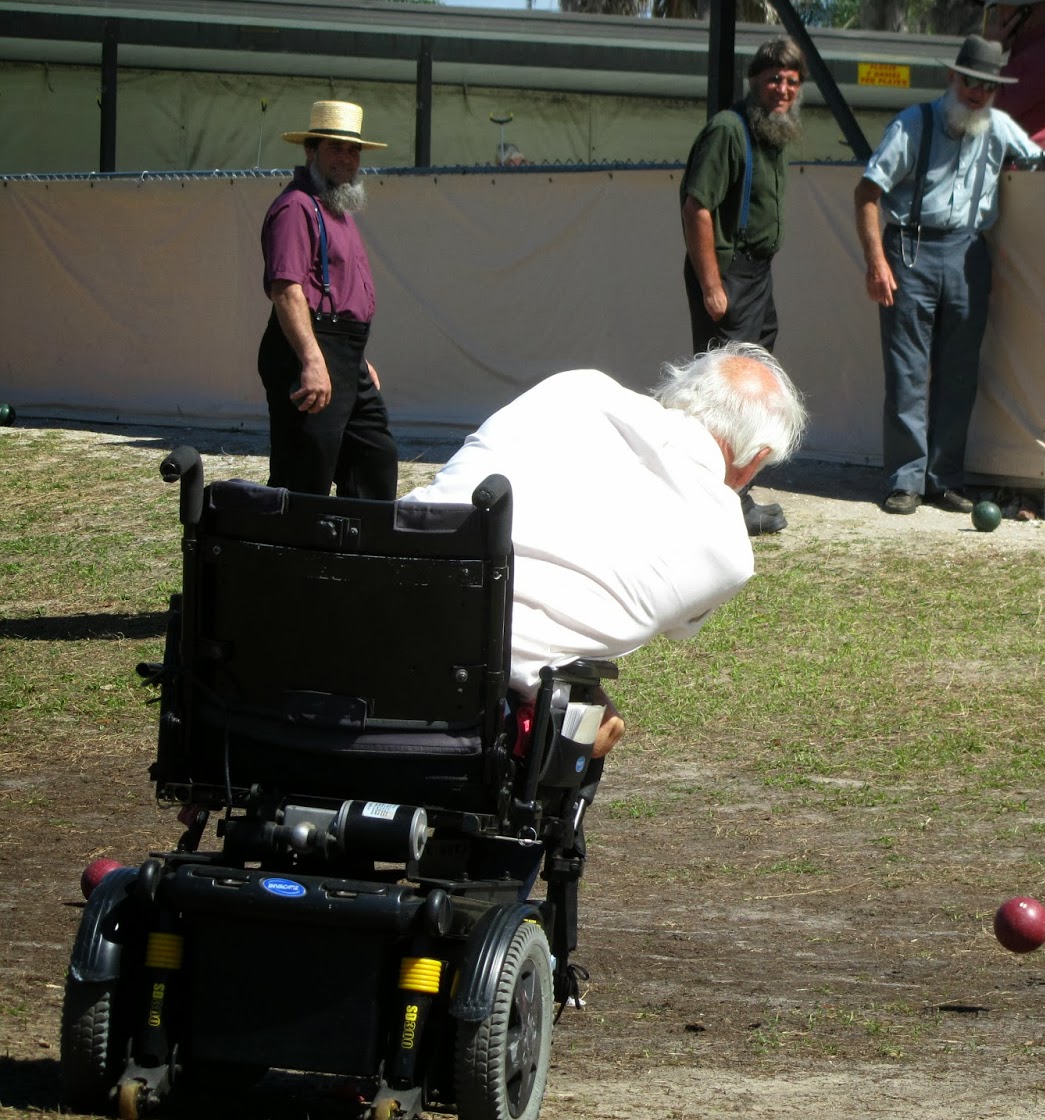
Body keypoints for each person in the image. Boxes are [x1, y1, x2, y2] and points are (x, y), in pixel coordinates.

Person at [402, 343, 807, 756]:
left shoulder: (575, 387)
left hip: (373, 600)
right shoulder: (729, 553)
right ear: (757, 458)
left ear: (680, 389)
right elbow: (676, 628)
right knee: (597, 724)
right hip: (478, 692)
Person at [854, 35, 1045, 516]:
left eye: (988, 87)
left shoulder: (998, 127)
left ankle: (944, 478)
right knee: (907, 370)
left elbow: (1040, 157)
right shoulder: (914, 124)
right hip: (910, 250)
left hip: (968, 253)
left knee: (958, 373)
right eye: (971, 81)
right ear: (952, 77)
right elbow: (867, 192)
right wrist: (876, 261)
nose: (978, 93)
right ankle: (905, 480)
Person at [680, 36, 807, 536]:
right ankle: (726, 501)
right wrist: (712, 285)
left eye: (791, 82)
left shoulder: (771, 133)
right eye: (774, 78)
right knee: (726, 393)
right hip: (729, 275)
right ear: (755, 80)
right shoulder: (729, 131)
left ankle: (732, 491)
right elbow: (697, 207)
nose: (782, 89)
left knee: (750, 385)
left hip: (757, 274)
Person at [258, 100, 398, 500]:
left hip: (343, 351)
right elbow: (286, 290)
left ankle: (360, 553)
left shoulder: (337, 209)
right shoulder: (295, 207)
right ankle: (292, 555)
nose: (347, 158)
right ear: (310, 150)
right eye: (335, 148)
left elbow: (336, 292)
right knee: (306, 469)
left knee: (375, 455)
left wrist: (356, 358)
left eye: (353, 150)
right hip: (310, 349)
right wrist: (313, 360)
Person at [985, 0, 1045, 148]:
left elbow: (981, 106)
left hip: (1030, 167)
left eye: (1002, 9)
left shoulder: (1038, 57)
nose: (999, 19)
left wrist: (987, 52)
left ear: (1026, 12)